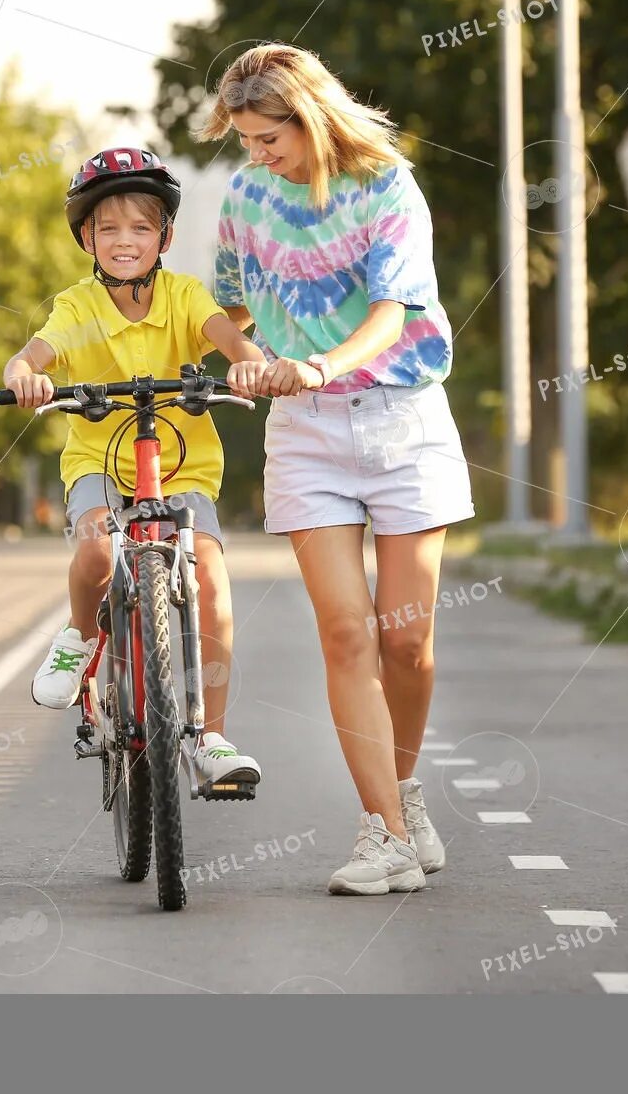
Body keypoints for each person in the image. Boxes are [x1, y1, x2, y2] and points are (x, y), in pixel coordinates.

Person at [199, 45, 475, 895]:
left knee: (407, 640)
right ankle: (383, 833)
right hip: (306, 434)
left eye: (266, 137)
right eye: (244, 139)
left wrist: (321, 364)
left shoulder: (387, 184)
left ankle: (404, 792)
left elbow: (394, 315)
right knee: (347, 634)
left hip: (402, 420)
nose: (255, 155)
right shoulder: (248, 194)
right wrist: (248, 357)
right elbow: (221, 310)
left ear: (308, 118)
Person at [1, 147, 270, 791]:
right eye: (110, 228)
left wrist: (248, 360)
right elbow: (35, 354)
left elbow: (226, 336)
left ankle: (210, 735)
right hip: (99, 459)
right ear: (86, 237)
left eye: (142, 228)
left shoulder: (184, 296)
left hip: (182, 465)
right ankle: (76, 637)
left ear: (165, 237)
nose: (126, 241)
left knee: (208, 577)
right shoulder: (76, 306)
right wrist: (24, 376)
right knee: (97, 548)